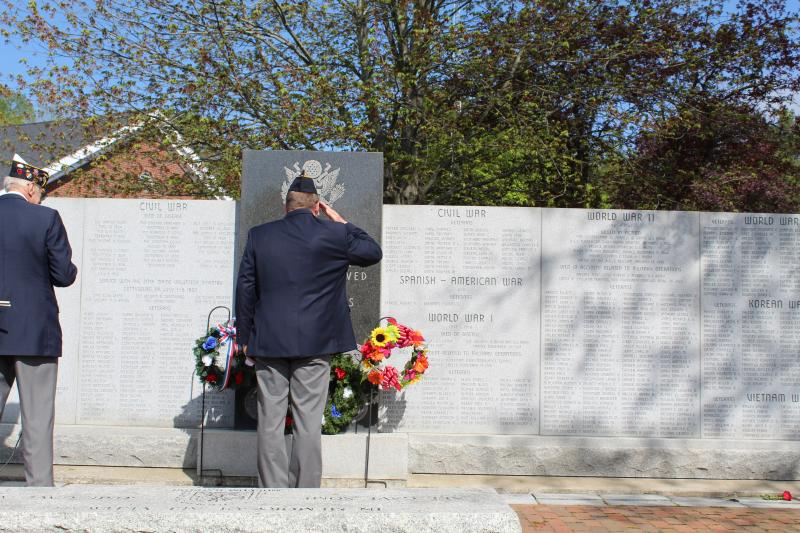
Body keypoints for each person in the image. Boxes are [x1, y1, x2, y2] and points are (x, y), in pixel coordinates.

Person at [235, 172, 382, 488]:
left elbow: (246, 289)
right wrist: (343, 223)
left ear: (286, 207)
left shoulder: (260, 235)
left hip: (269, 342)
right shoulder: (335, 235)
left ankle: (271, 493)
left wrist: (244, 338)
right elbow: (372, 252)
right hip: (316, 343)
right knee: (307, 423)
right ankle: (304, 494)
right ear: (317, 206)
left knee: (270, 423)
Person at [0, 156, 78, 486]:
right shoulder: (45, 218)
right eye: (39, 194)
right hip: (34, 330)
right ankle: (40, 496)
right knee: (37, 419)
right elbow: (64, 275)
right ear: (31, 187)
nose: (40, 200)